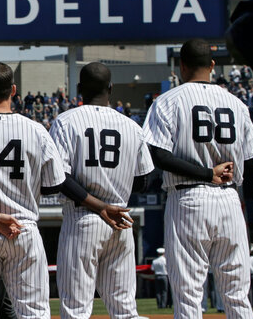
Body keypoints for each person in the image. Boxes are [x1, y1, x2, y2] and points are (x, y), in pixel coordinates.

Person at [0, 62, 129, 319]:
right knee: (33, 313)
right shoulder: (36, 130)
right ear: (14, 90)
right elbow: (54, 183)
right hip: (24, 228)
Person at [143, 38, 253, 319]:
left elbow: (159, 156)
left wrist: (207, 173)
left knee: (188, 298)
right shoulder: (237, 103)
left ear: (182, 66)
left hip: (188, 200)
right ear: (212, 65)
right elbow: (252, 159)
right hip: (230, 201)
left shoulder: (169, 101)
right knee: (237, 296)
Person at [51, 62, 154, 319]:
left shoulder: (66, 121)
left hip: (84, 218)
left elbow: (58, 177)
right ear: (110, 88)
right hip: (121, 219)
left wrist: (99, 205)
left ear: (78, 89)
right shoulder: (132, 126)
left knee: (76, 308)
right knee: (125, 309)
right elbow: (144, 180)